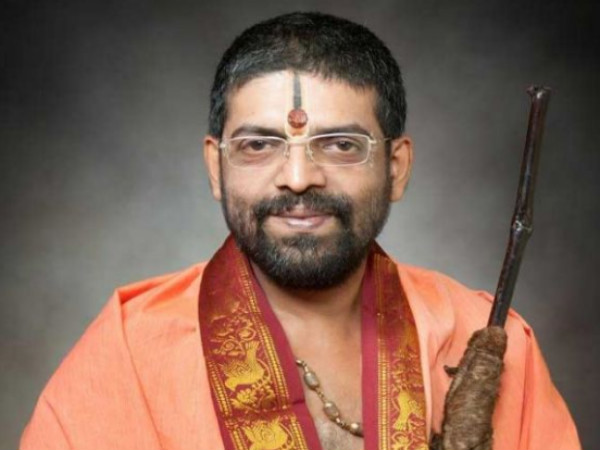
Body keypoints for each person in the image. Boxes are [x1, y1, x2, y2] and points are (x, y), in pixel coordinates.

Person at [20, 12, 580, 450]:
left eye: (340, 145)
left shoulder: (482, 336)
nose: (297, 177)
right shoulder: (128, 357)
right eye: (258, 145)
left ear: (396, 168)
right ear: (216, 168)